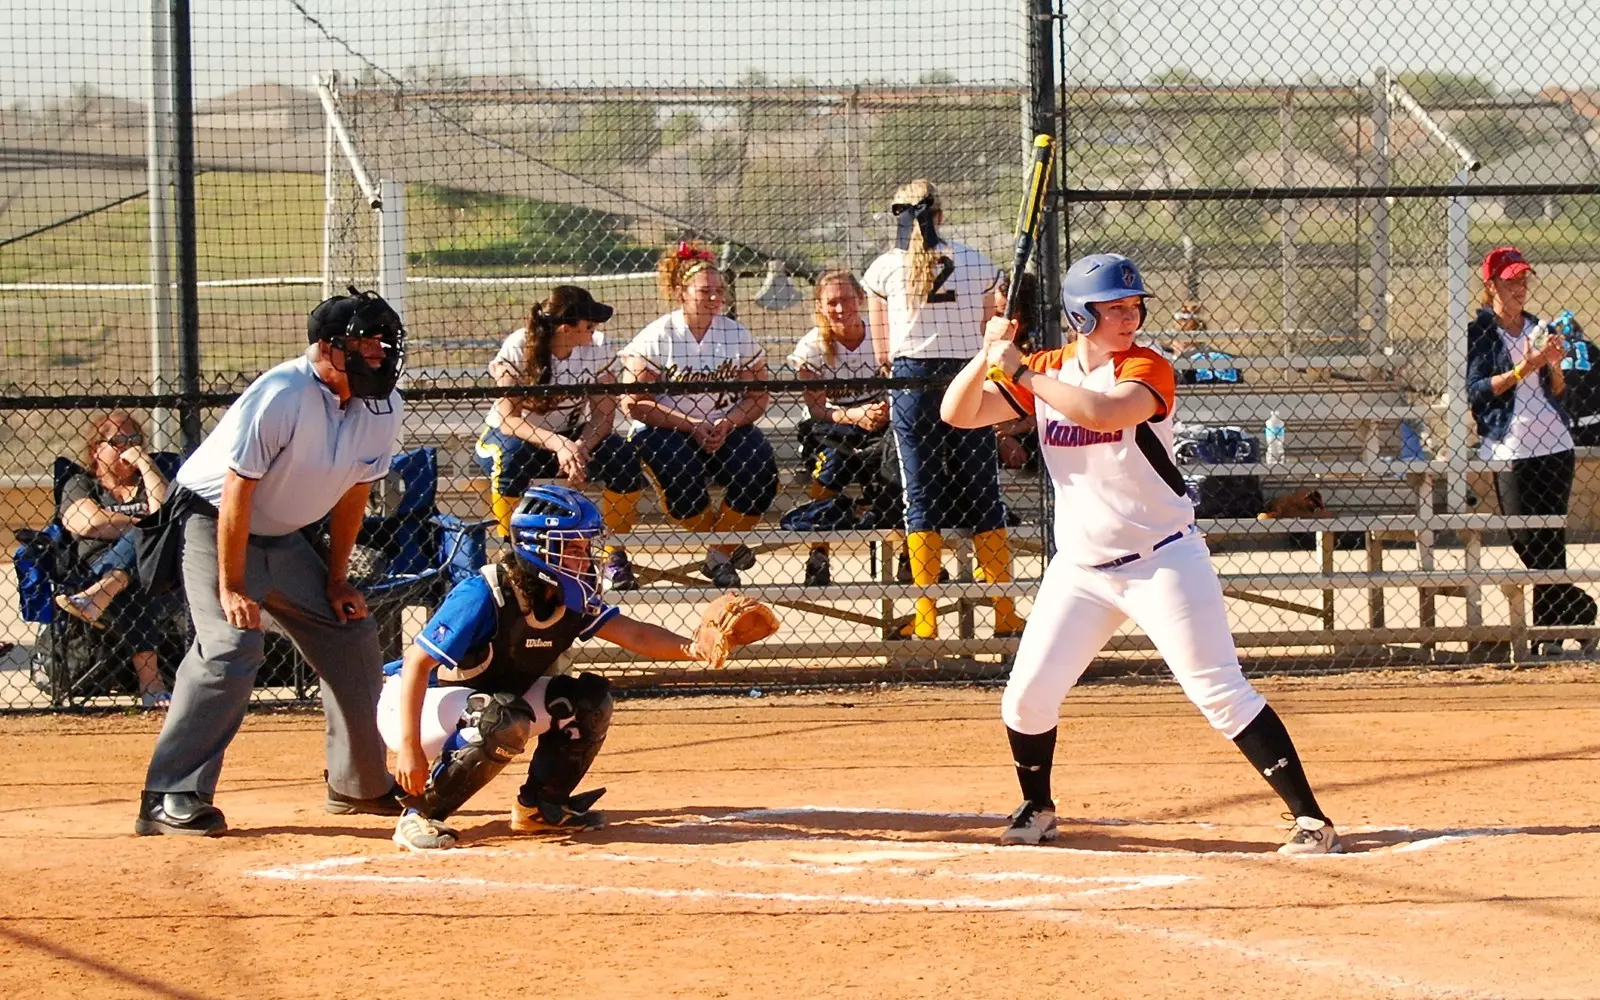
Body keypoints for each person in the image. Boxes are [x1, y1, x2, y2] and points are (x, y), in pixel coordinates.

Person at [940, 252, 1341, 854]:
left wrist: (1020, 374)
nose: (1130, 317)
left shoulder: (1147, 367)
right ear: (1081, 313)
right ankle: (1038, 805)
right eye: (1114, 308)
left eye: (1134, 306)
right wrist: (988, 353)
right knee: (1026, 696)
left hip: (1162, 560)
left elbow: (1103, 412)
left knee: (1219, 692)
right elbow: (958, 412)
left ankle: (1313, 819)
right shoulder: (1048, 366)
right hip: (1080, 569)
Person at [134, 288, 408, 837]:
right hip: (212, 523)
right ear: (328, 350)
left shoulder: (383, 405)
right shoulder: (282, 392)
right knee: (232, 644)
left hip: (283, 537)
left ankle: (357, 785)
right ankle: (169, 795)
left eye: (384, 340)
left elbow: (354, 493)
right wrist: (233, 586)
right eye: (364, 340)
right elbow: (237, 491)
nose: (378, 351)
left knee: (350, 631)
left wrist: (336, 578)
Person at [380, 485, 720, 851]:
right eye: (572, 548)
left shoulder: (567, 597)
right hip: (412, 704)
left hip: (488, 701)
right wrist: (409, 748)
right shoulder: (484, 593)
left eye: (585, 547)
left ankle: (540, 807)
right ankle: (418, 814)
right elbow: (417, 662)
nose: (585, 558)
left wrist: (698, 648)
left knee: (587, 702)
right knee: (504, 717)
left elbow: (635, 634)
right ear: (538, 548)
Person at [864, 179, 1024, 639]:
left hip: (912, 378)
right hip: (965, 375)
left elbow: (882, 351)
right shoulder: (975, 261)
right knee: (982, 487)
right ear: (940, 214)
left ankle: (926, 617)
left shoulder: (885, 267)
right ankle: (1004, 611)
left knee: (920, 491)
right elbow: (989, 326)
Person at [620, 242, 779, 588]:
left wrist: (728, 422)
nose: (715, 298)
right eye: (705, 291)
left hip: (723, 426)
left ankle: (718, 555)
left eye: (719, 291)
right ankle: (726, 547)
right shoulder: (659, 335)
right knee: (679, 471)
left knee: (759, 467)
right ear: (681, 293)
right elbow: (633, 403)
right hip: (665, 429)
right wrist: (691, 425)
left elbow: (757, 396)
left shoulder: (735, 333)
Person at [1465, 246, 1595, 652]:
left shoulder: (1538, 326)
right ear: (1491, 286)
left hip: (1554, 443)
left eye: (1524, 280)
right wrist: (1524, 367)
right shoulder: (1480, 333)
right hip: (1509, 444)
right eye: (1511, 281)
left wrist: (1553, 364)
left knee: (1551, 541)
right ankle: (1582, 612)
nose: (1520, 288)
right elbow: (1477, 390)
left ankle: (1549, 636)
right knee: (1526, 539)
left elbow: (1557, 390)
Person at [475, 285, 645, 591]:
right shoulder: (518, 347)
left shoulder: (598, 348)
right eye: (588, 325)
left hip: (574, 436)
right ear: (566, 328)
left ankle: (613, 554)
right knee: (512, 458)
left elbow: (604, 416)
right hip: (516, 436)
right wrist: (560, 445)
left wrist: (579, 448)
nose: (595, 330)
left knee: (624, 458)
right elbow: (509, 420)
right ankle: (509, 551)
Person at [54, 411, 172, 707]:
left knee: (144, 557)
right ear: (96, 449)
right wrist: (145, 522)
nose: (128, 448)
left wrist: (146, 465)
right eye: (118, 441)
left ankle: (102, 593)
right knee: (147, 542)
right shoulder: (82, 484)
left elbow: (167, 514)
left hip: (152, 571)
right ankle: (151, 684)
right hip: (96, 567)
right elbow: (87, 523)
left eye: (134, 440)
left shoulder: (151, 479)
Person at [789, 269, 891, 587]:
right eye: (831, 302)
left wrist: (883, 411)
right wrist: (857, 415)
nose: (840, 308)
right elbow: (819, 410)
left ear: (860, 299)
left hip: (881, 421)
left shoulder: (883, 336)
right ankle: (818, 552)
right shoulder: (812, 349)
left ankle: (904, 555)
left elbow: (900, 389)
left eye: (846, 299)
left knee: (897, 462)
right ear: (819, 306)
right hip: (832, 427)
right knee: (830, 464)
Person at [990, 272, 1041, 474]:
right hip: (990, 429)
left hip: (1029, 430)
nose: (994, 320)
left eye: (1002, 313)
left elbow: (1056, 410)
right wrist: (1001, 436)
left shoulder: (1043, 348)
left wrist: (1015, 429)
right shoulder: (983, 343)